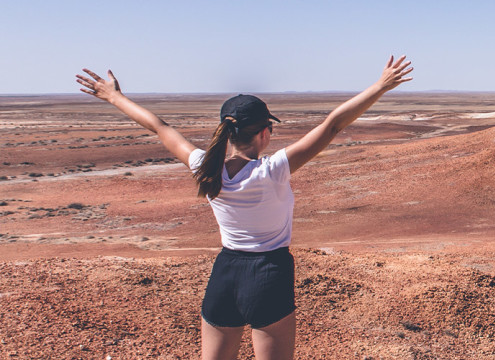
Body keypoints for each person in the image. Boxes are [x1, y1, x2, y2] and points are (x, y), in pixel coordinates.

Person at [75, 56, 413, 359]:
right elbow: (334, 124)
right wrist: (381, 86)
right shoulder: (273, 170)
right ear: (265, 133)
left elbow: (159, 126)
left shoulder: (204, 166)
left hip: (225, 274)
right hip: (270, 272)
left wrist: (113, 96)